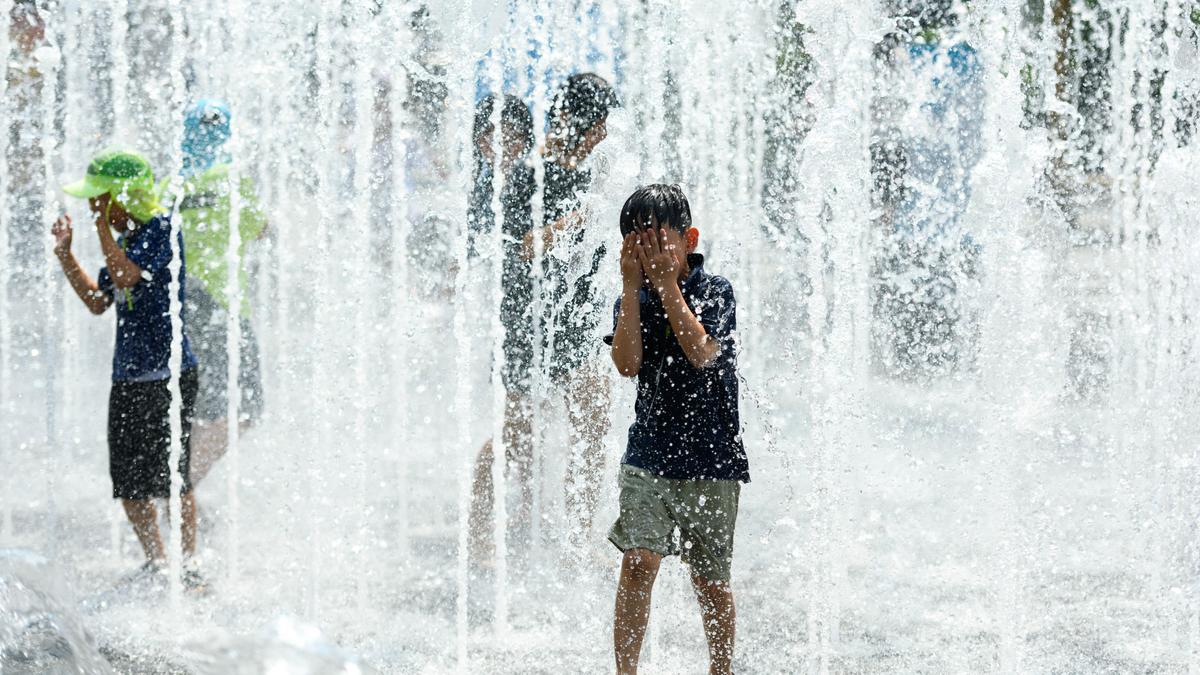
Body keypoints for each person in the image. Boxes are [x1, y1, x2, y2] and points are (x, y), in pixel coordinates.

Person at [605, 185, 749, 675]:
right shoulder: (635, 298)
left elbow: (703, 353)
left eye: (657, 241)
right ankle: (626, 671)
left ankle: (721, 669)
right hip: (649, 453)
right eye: (636, 243)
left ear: (688, 239)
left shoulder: (716, 290)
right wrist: (631, 288)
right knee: (639, 561)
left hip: (713, 458)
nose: (647, 253)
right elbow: (626, 364)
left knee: (710, 581)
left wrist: (668, 288)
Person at [51, 149, 203, 587]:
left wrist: (99, 227)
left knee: (174, 476)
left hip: (169, 375)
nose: (93, 208)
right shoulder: (126, 239)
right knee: (130, 482)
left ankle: (189, 565)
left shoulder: (161, 231)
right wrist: (66, 255)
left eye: (99, 200)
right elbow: (99, 302)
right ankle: (157, 563)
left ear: (123, 196)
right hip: (128, 376)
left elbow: (126, 277)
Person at [524, 72, 620, 554]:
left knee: (592, 427)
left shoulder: (599, 167)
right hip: (540, 317)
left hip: (584, 316)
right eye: (604, 122)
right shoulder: (540, 169)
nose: (609, 133)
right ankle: (493, 528)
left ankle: (577, 541)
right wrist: (584, 215)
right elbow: (527, 241)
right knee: (518, 430)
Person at [168, 99, 267, 486]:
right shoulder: (230, 178)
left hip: (180, 305)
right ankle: (181, 486)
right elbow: (257, 227)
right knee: (246, 407)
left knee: (194, 408)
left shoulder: (170, 184)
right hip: (222, 304)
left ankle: (175, 490)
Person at [465, 93, 537, 561]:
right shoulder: (489, 187)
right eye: (490, 134)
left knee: (527, 431)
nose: (499, 143)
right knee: (513, 428)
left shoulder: (524, 179)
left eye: (509, 134)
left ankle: (526, 519)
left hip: (536, 318)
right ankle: (479, 527)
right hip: (515, 324)